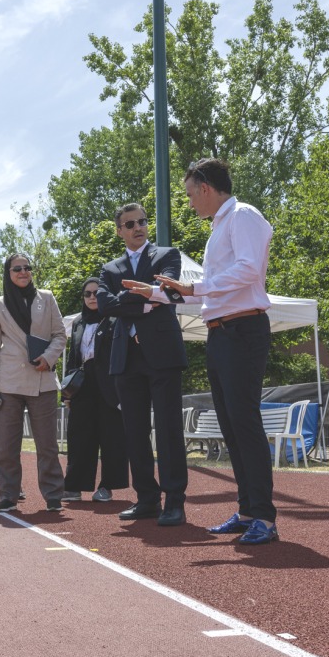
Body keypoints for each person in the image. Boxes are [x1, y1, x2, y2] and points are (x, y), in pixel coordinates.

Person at [150, 158, 277, 544]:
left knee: (245, 422)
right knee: (232, 427)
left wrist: (193, 289)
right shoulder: (220, 227)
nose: (189, 203)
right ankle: (247, 510)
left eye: (190, 194)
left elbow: (248, 270)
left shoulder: (243, 216)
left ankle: (265, 519)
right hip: (222, 332)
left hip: (243, 329)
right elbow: (209, 293)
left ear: (205, 187)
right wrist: (158, 295)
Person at [96, 203, 189, 526]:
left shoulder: (167, 256)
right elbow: (105, 306)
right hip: (126, 358)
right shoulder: (109, 269)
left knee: (168, 431)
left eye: (143, 222)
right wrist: (145, 303)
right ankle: (147, 499)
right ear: (119, 230)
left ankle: (175, 502)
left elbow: (165, 291)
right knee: (135, 433)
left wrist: (138, 300)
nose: (139, 227)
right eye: (130, 223)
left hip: (163, 355)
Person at [0, 254, 67, 514]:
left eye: (27, 267)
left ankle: (53, 495)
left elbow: (60, 335)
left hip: (42, 380)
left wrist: (49, 357)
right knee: (6, 445)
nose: (23, 272)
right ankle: (8, 495)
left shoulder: (47, 297)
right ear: (8, 272)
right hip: (8, 382)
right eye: (17, 268)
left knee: (47, 444)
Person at [62, 278, 128, 503]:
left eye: (96, 293)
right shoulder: (79, 322)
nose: (91, 297)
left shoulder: (115, 319)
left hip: (109, 386)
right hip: (83, 386)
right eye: (87, 294)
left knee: (111, 438)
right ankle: (73, 486)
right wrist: (67, 392)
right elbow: (73, 357)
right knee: (79, 437)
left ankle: (107, 486)